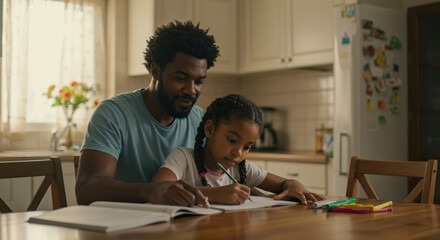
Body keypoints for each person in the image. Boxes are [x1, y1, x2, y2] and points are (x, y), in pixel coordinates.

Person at [75, 20, 220, 207]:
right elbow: (86, 190)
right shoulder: (113, 114)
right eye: (181, 78)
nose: (191, 90)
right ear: (155, 71)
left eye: (199, 81)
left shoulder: (199, 119)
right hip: (121, 229)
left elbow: (221, 174)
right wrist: (151, 191)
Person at [151, 94, 324, 205]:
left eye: (247, 147)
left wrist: (295, 185)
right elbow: (158, 187)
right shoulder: (183, 158)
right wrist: (215, 194)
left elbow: (287, 183)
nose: (238, 153)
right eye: (232, 140)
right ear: (210, 130)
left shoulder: (240, 168)